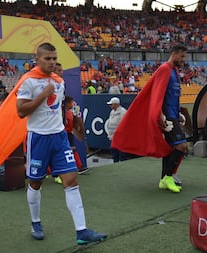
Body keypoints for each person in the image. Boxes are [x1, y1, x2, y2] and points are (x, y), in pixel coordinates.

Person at [16, 42, 107, 245]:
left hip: (58, 138)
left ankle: (81, 231)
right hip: (38, 138)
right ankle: (36, 222)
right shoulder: (28, 81)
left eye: (54, 58)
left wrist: (71, 125)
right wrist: (42, 94)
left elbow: (57, 109)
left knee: (71, 180)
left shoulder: (58, 81)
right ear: (37, 60)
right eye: (47, 58)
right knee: (36, 182)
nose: (52, 62)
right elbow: (21, 111)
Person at [112, 44, 188, 193]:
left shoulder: (174, 72)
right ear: (174, 54)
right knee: (181, 146)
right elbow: (156, 95)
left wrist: (178, 113)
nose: (183, 60)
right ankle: (168, 177)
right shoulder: (165, 69)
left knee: (171, 148)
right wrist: (161, 115)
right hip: (168, 118)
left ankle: (164, 179)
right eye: (182, 56)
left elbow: (171, 97)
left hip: (173, 115)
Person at [106, 97, 127, 162]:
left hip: (120, 137)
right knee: (114, 153)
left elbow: (125, 124)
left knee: (122, 153)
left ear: (116, 104)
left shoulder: (123, 112)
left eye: (111, 104)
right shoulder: (112, 112)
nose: (110, 105)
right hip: (112, 137)